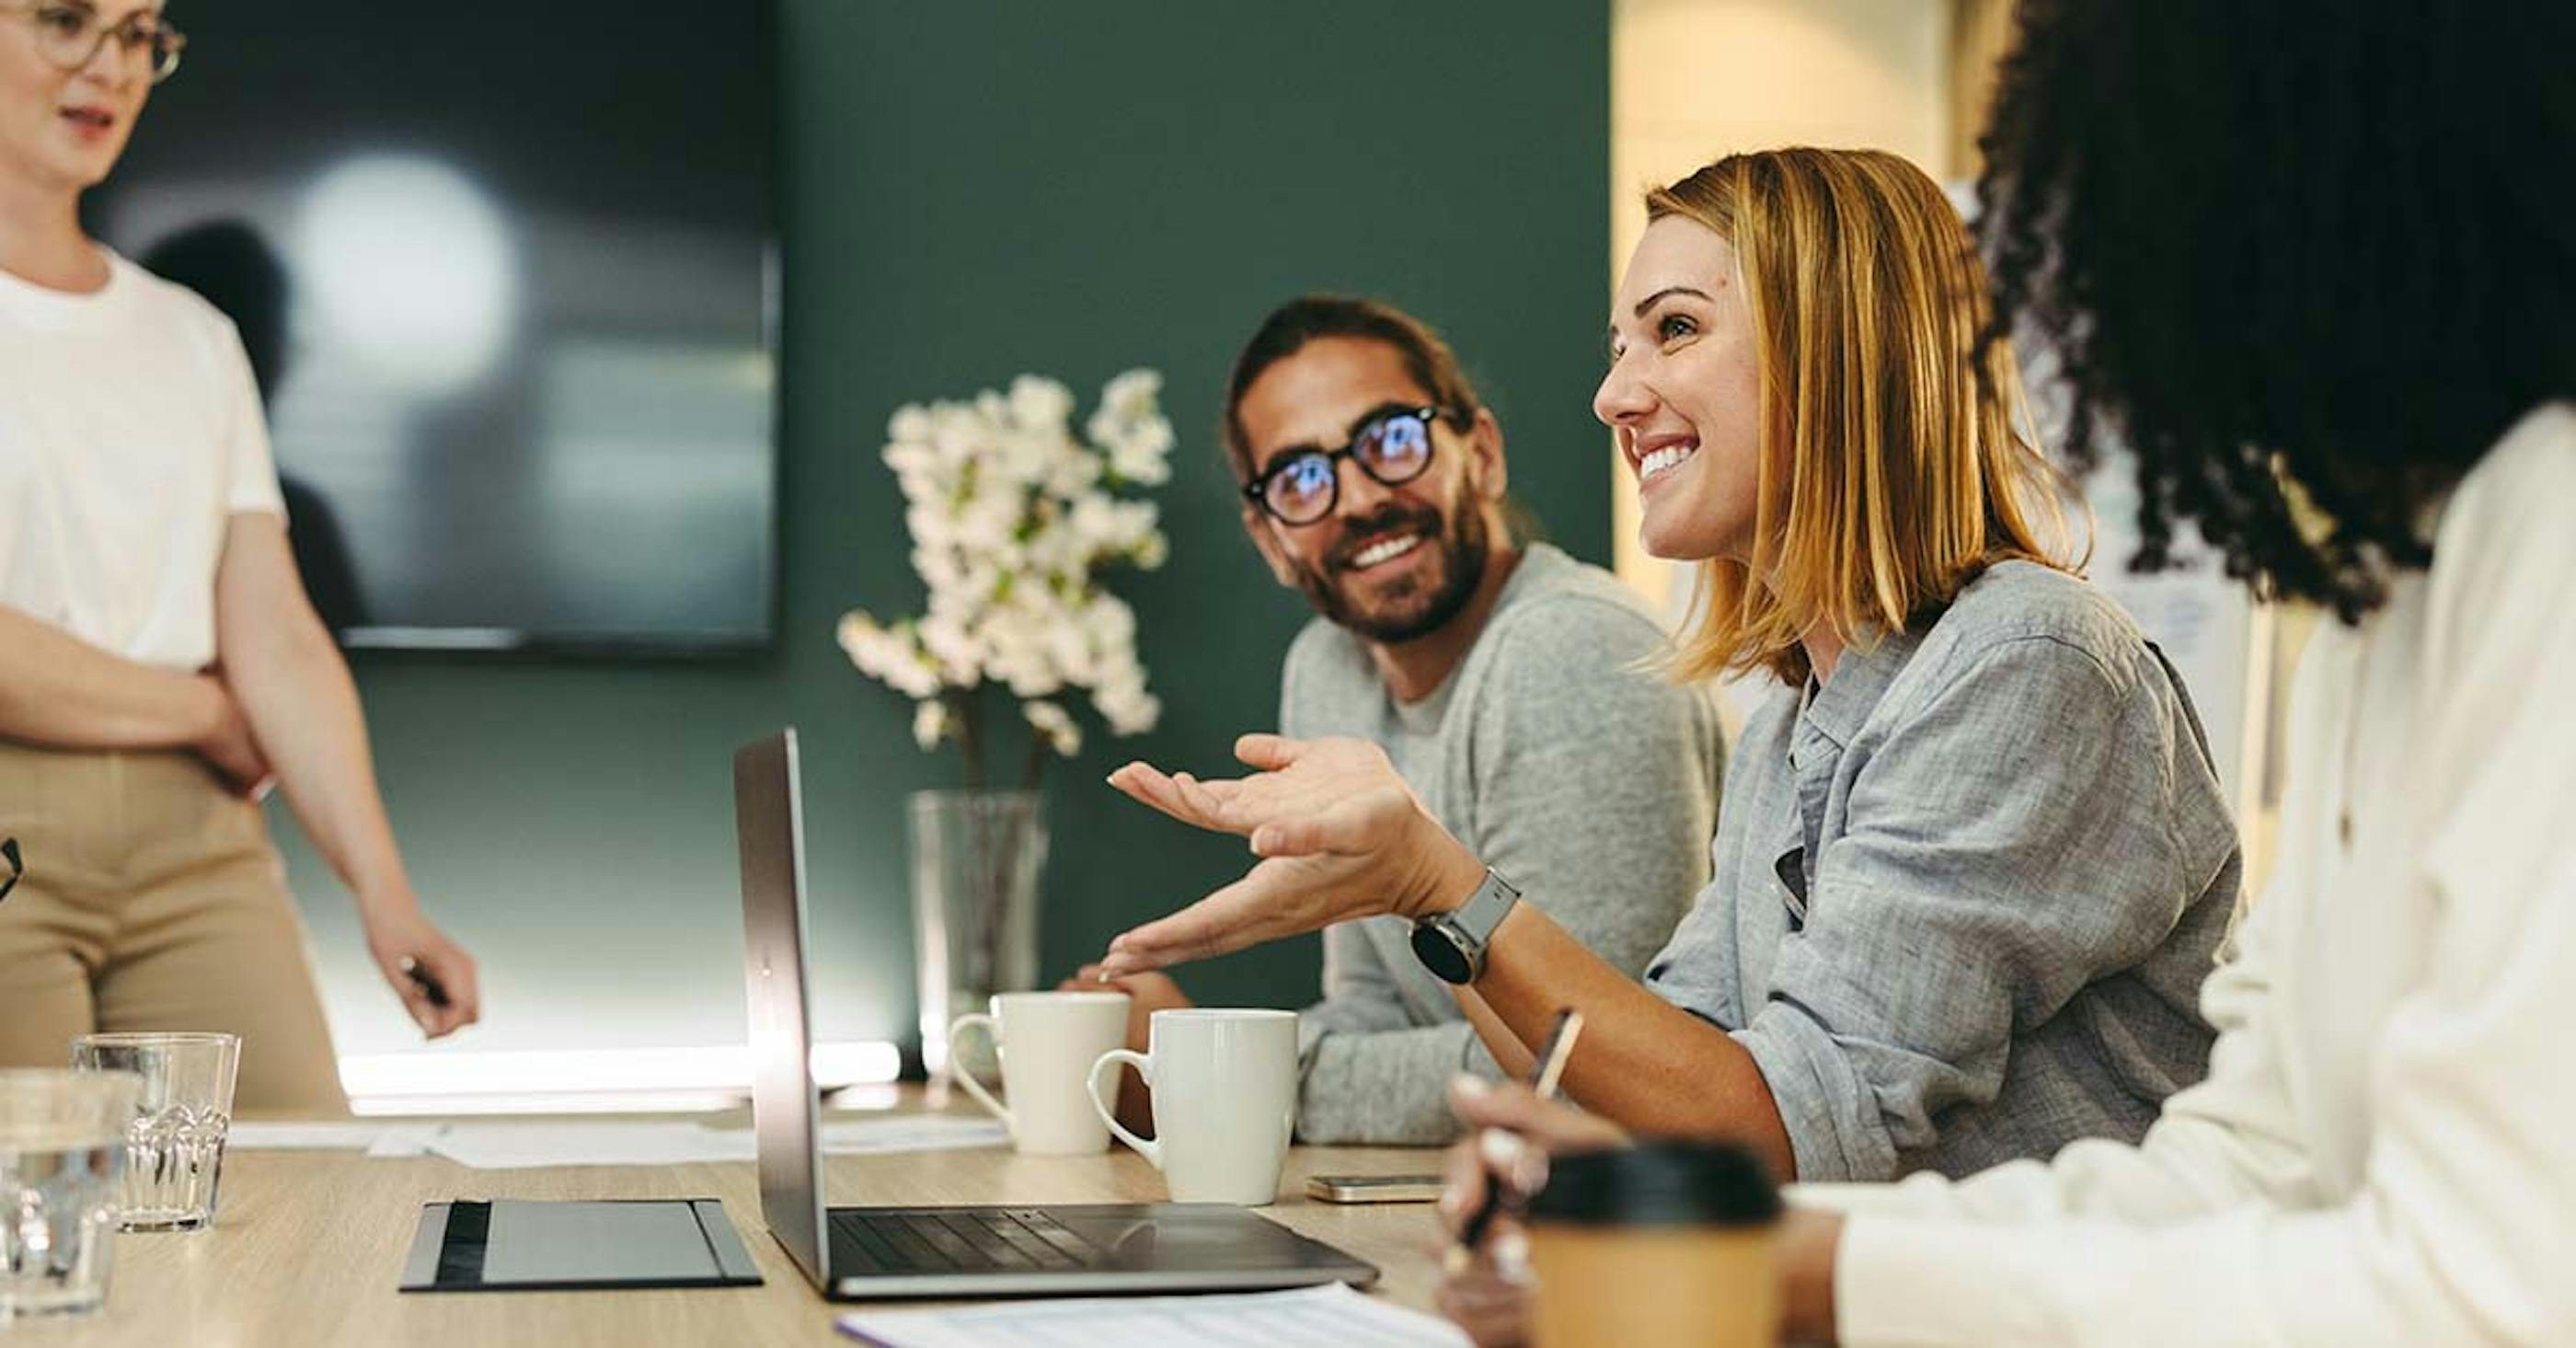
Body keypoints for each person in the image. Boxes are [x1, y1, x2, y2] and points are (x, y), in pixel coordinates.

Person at [1440, 0, 2576, 1342]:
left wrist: (1437, 886)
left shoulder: (2527, 536)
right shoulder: (2383, 599)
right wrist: (1726, 1239)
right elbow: (2241, 1170)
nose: (2086, 294)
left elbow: (2488, 1289)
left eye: (1673, 332)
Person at [1098, 148, 2243, 1185]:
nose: (1612, 397)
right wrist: (1409, 896)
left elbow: (1790, 1127)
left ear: (1833, 346)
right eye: (1618, 349)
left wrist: (1430, 879)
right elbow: (1653, 1077)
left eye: (1676, 329)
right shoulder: (1792, 723)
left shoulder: (2024, 661)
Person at [1072, 295, 1720, 1145]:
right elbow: (1372, 1010)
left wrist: (1212, 1073)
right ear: (1271, 539)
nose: (1358, 498)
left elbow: (1586, 1077)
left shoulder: (1572, 649)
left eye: (1389, 439)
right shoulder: (1327, 668)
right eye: (1302, 478)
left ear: (1480, 454)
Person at [0, 0, 478, 1113]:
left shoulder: (191, 338)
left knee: (302, 1204)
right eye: (68, 20)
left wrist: (386, 892)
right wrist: (199, 712)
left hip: (201, 845)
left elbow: (276, 632)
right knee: (38, 1249)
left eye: (138, 35)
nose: (108, 66)